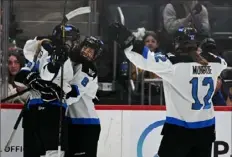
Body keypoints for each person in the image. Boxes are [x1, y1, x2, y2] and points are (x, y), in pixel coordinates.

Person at [110, 23, 227, 157]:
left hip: (180, 129)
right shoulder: (215, 63)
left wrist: (128, 41)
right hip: (207, 129)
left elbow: (145, 58)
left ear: (178, 43)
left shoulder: (173, 64)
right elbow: (221, 62)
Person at [14, 24, 79, 157]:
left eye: (71, 41)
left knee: (51, 152)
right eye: (68, 40)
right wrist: (31, 79)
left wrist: (41, 81)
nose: (70, 44)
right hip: (38, 111)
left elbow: (62, 87)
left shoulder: (66, 60)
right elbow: (20, 77)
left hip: (51, 111)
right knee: (36, 152)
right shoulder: (43, 51)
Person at [64, 36, 103, 157]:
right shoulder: (75, 63)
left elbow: (73, 95)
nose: (87, 52)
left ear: (95, 56)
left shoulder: (88, 69)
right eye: (86, 47)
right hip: (73, 123)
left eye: (91, 51)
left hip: (85, 125)